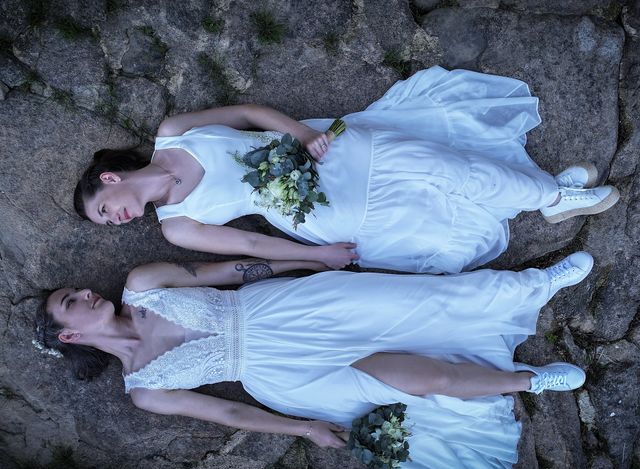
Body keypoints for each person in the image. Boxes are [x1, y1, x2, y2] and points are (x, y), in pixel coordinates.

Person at [35, 251, 593, 469]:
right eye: (71, 302)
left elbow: (231, 270)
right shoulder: (144, 391)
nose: (84, 292)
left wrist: (310, 258)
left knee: (418, 300)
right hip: (276, 374)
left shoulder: (144, 283)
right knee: (413, 380)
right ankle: (531, 381)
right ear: (71, 334)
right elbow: (228, 414)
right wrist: (302, 427)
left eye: (74, 290)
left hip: (281, 306)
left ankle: (536, 285)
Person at [73, 66, 619, 273]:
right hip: (314, 208)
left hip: (323, 150)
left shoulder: (173, 131)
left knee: (441, 163)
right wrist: (314, 255)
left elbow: (245, 113)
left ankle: (547, 195)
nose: (116, 219)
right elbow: (255, 247)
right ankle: (547, 195)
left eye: (105, 210)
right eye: (109, 224)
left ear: (110, 179)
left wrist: (304, 133)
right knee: (431, 198)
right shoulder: (177, 224)